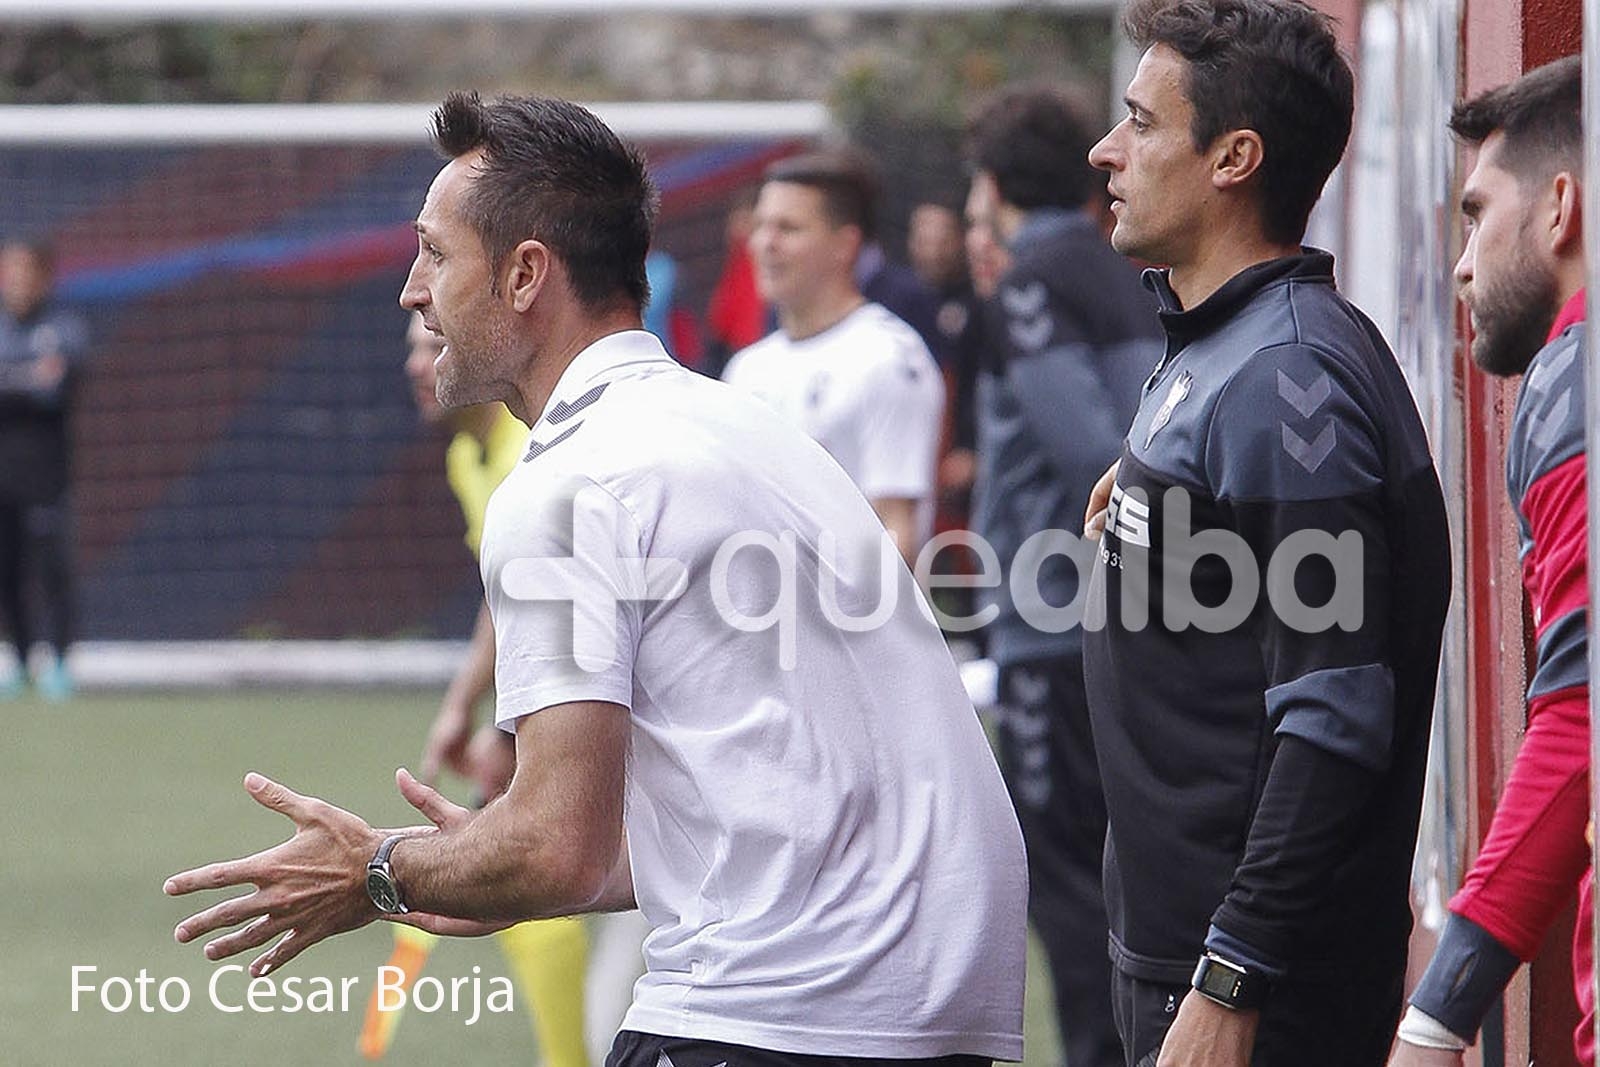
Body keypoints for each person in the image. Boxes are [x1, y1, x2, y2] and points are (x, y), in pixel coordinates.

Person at [165, 91, 1026, 1066]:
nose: (411, 290)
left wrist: (374, 868)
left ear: (525, 274)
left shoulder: (570, 480)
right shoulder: (737, 423)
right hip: (924, 1009)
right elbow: (758, 791)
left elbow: (552, 849)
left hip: (778, 1012)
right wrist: (477, 863)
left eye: (435, 254)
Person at [1081, 1, 1451, 1063]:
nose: (1107, 150)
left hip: (1250, 990)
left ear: (1233, 158)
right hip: (1176, 955)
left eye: (1141, 122)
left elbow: (1334, 713)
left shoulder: (1288, 376)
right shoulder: (1229, 344)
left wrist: (1231, 973)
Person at [1388, 55, 1589, 1067]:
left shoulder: (1575, 380)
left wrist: (1435, 1018)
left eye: (1476, 215)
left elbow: (1582, 712)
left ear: (1560, 207)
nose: (1462, 265)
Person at [965, 84, 1163, 1067]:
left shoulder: (1031, 283)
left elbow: (1092, 444)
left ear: (994, 186)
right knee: (1119, 869)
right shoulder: (1130, 270)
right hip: (1134, 612)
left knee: (1069, 874)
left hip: (1056, 621)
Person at [354, 312, 589, 1066]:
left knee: (535, 875)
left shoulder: (532, 454)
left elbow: (560, 606)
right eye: (412, 351)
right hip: (558, 699)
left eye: (434, 346)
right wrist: (465, 704)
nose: (417, 366)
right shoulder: (469, 456)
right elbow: (506, 595)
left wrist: (511, 729)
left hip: (604, 702)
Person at [724, 151, 946, 563]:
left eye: (788, 228)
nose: (765, 244)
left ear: (845, 245)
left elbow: (895, 527)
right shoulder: (746, 368)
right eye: (760, 226)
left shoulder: (888, 358)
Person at [0, 238, 88, 702]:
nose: (14, 281)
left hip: (47, 475)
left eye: (23, 271)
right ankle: (16, 661)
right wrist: (27, 378)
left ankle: (59, 663)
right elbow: (34, 383)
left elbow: (56, 385)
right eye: (8, 272)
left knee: (52, 569)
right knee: (7, 571)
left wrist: (18, 381)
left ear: (43, 277)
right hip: (3, 477)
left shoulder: (64, 328)